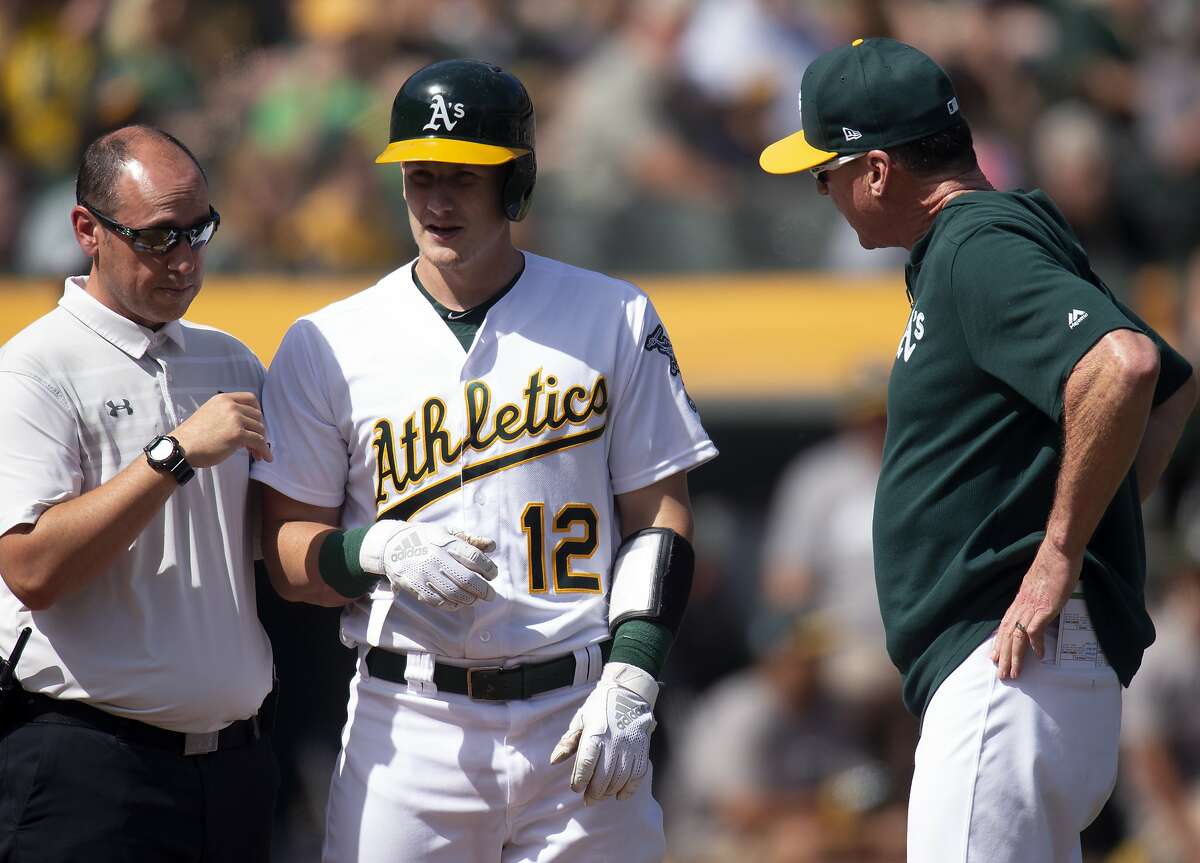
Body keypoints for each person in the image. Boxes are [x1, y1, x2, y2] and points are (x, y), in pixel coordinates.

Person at [253, 59, 716, 863]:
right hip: (410, 722)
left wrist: (635, 673)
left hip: (579, 707)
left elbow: (661, 513)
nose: (436, 201)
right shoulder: (330, 340)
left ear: (516, 184)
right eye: (420, 175)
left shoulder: (613, 313)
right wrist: (377, 548)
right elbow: (288, 554)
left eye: (464, 178)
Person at [760, 37, 1198, 862]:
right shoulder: (993, 239)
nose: (827, 192)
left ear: (878, 170)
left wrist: (1061, 552)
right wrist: (1088, 520)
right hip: (1028, 666)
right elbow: (1170, 387)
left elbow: (1128, 366)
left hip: (1006, 665)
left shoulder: (974, 245)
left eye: (828, 172)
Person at [0, 126, 278, 861]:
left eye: (198, 231)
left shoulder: (231, 358)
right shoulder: (33, 368)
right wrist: (174, 453)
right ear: (87, 230)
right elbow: (31, 568)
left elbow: (272, 541)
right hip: (90, 770)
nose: (185, 260)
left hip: (235, 770)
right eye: (159, 237)